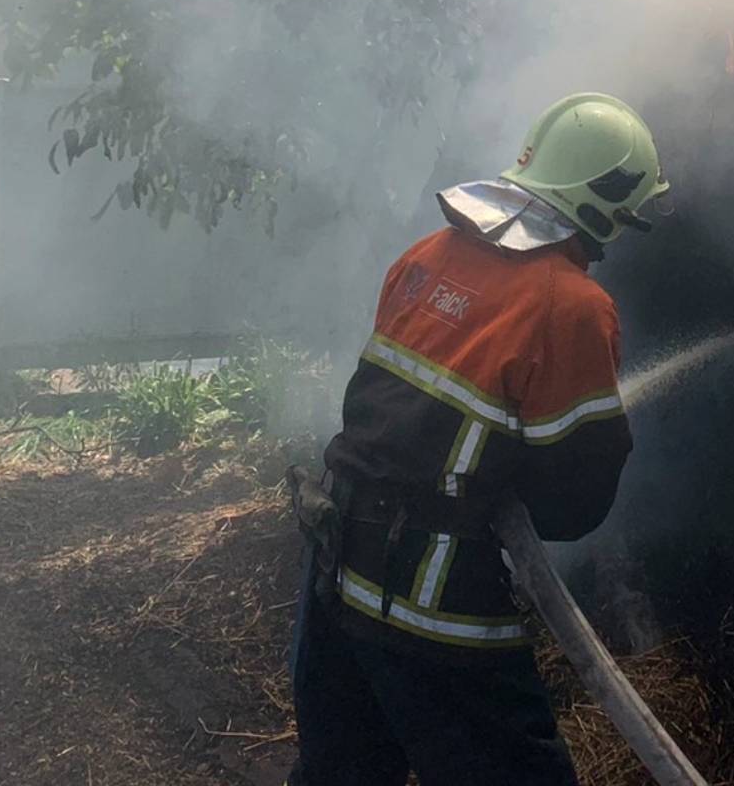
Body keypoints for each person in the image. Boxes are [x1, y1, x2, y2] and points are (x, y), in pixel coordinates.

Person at [286, 92, 670, 786]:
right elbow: (570, 506)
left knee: (341, 775)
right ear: (604, 199)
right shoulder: (571, 305)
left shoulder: (425, 256)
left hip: (333, 578)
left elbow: (399, 422)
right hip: (433, 606)